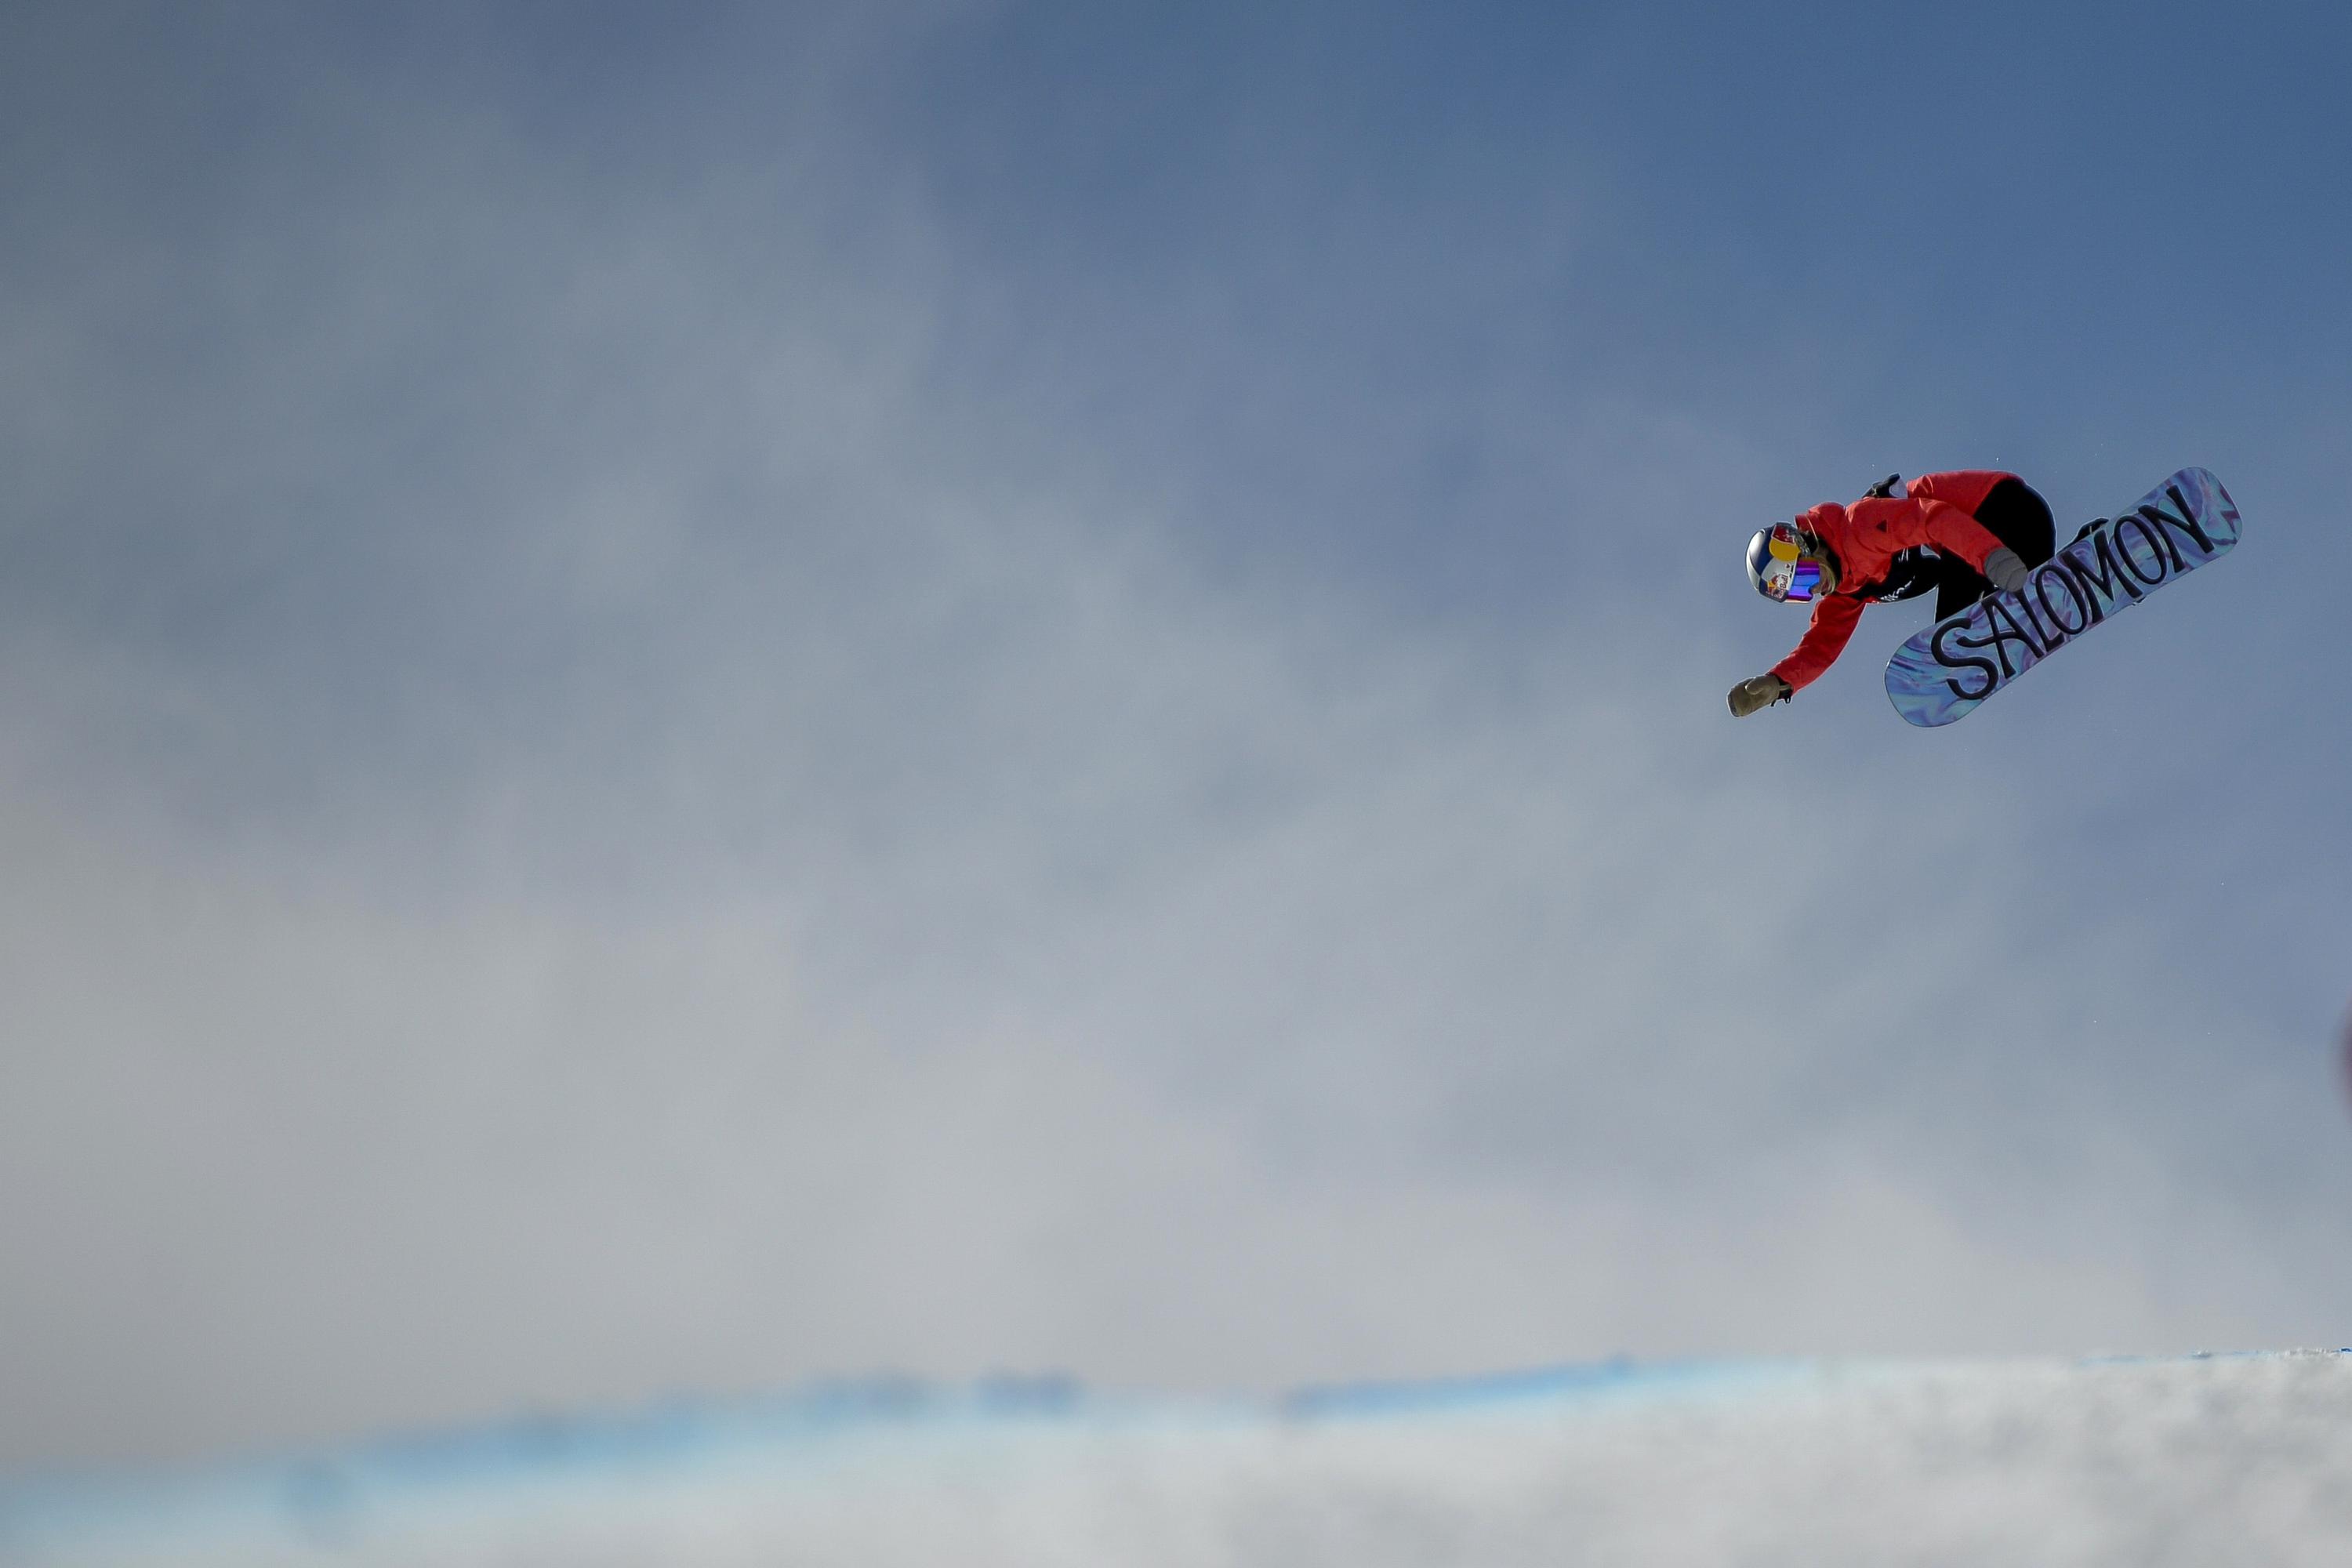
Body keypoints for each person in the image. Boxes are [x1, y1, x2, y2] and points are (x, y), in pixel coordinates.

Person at [1727, 470, 2057, 717]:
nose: (1813, 589)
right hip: (2008, 559)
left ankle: (1966, 639)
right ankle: (2075, 561)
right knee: (1956, 611)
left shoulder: (1859, 528)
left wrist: (1990, 556)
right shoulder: (1847, 592)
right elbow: (1819, 648)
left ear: (1807, 547)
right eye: (1799, 593)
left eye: (1804, 577)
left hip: (2009, 513)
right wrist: (1778, 683)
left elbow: (1933, 520)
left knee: (1949, 628)